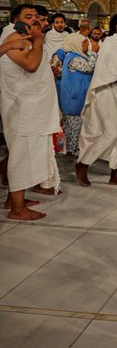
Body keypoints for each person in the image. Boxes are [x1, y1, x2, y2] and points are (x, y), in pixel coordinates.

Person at [0, 19, 61, 220]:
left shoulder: (18, 41)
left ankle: (13, 201)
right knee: (20, 156)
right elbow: (32, 65)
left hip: (27, 108)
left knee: (21, 155)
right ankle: (17, 209)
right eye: (30, 17)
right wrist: (38, 40)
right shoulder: (13, 39)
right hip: (22, 109)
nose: (36, 22)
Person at [75, 13, 117, 187]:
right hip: (107, 93)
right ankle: (82, 164)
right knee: (110, 133)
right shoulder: (110, 44)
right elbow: (105, 72)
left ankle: (116, 174)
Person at [58, 33, 98, 157]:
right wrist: (94, 53)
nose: (87, 44)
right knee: (74, 126)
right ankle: (75, 150)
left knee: (72, 126)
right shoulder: (74, 58)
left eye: (87, 42)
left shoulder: (77, 56)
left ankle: (71, 149)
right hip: (73, 99)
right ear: (75, 44)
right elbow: (89, 68)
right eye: (84, 42)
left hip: (75, 97)